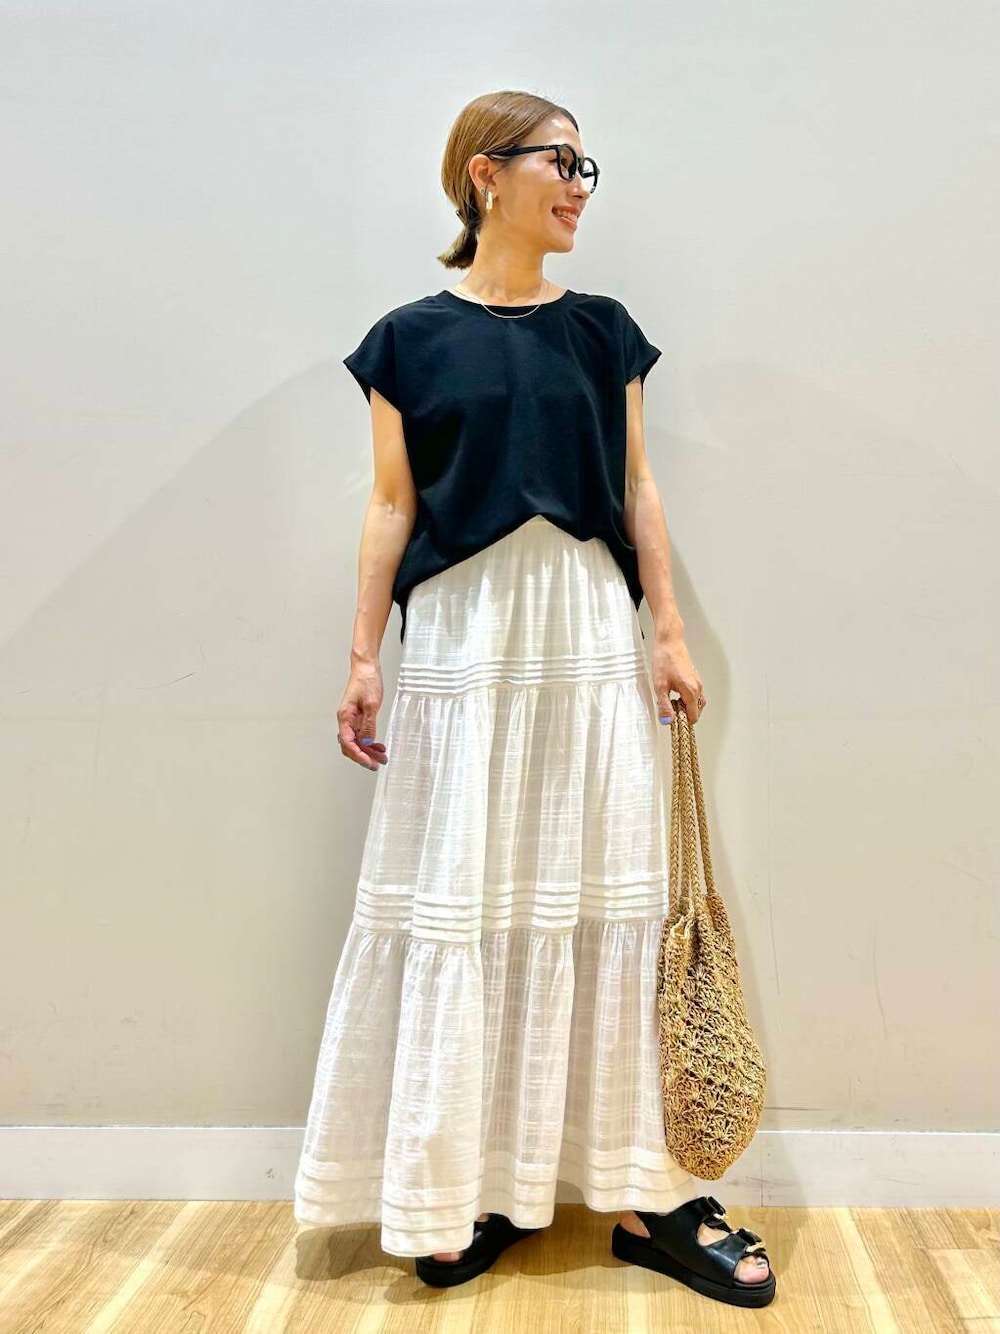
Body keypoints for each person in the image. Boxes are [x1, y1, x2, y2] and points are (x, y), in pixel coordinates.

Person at [293, 90, 775, 1309]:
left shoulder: (603, 331)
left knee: (605, 892)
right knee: (466, 895)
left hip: (583, 631)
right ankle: (463, 1183)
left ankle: (644, 1194)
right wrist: (362, 654)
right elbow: (391, 503)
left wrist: (667, 628)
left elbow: (639, 487)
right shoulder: (406, 340)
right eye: (560, 162)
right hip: (463, 639)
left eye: (583, 166)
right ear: (483, 174)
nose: (577, 186)